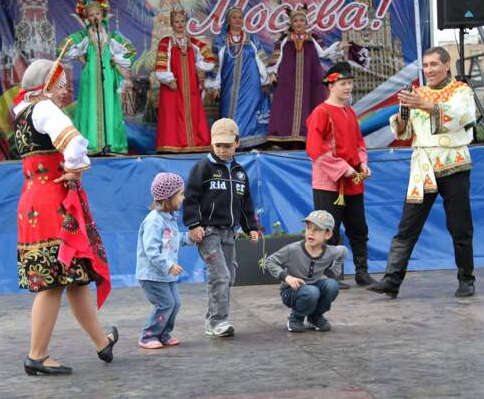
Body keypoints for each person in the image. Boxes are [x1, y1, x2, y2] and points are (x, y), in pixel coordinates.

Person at [13, 59, 118, 376]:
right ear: (45, 86)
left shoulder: (23, 113)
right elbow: (73, 142)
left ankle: (102, 342)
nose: (63, 91)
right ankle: (37, 355)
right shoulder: (44, 109)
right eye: (59, 85)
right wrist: (74, 167)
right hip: (53, 203)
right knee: (54, 281)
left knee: (74, 278)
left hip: (34, 199)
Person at [367, 46, 476, 299]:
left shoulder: (461, 91)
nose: (429, 70)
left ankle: (466, 279)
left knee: (460, 226)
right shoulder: (417, 94)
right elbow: (405, 132)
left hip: (453, 163)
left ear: (447, 65)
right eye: (425, 66)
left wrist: (425, 104)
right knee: (408, 225)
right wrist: (404, 114)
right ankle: (392, 280)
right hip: (423, 166)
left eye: (434, 65)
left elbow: (462, 116)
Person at [183, 118, 260, 337]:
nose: (223, 150)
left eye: (227, 145)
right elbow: (191, 198)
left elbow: (246, 201)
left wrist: (250, 226)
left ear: (237, 142)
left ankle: (214, 318)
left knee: (230, 276)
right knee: (220, 275)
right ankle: (217, 322)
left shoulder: (239, 171)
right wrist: (193, 224)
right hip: (208, 233)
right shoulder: (202, 168)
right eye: (218, 145)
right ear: (212, 143)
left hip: (230, 233)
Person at [306, 62, 376, 289]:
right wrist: (344, 169)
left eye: (350, 83)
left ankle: (362, 272)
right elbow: (315, 150)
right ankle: (327, 275)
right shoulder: (321, 112)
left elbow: (359, 143)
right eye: (343, 84)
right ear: (331, 85)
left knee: (359, 227)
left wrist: (362, 163)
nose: (348, 88)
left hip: (353, 181)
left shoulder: (350, 112)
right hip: (330, 182)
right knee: (328, 230)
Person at [60, 0, 137, 154]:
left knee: (109, 105)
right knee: (91, 105)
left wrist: (115, 60)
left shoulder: (112, 36)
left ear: (102, 15)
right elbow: (63, 48)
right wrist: (82, 58)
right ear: (87, 18)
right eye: (91, 15)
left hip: (107, 76)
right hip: (90, 77)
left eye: (97, 13)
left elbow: (130, 51)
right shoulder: (84, 36)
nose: (95, 17)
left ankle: (110, 143)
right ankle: (93, 144)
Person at [267, 6, 347, 146]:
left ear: (306, 23)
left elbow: (323, 53)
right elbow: (277, 56)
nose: (299, 23)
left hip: (309, 78)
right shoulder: (284, 39)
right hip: (288, 78)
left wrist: (338, 46)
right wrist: (273, 72)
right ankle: (285, 137)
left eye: (302, 20)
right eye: (296, 21)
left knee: (310, 103)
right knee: (285, 106)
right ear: (291, 23)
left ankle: (306, 136)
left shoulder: (313, 38)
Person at [136, 172, 195, 349]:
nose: (183, 198)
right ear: (169, 197)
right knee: (165, 304)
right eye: (180, 194)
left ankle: (163, 334)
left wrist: (191, 237)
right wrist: (168, 265)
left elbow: (173, 240)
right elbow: (151, 250)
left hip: (165, 274)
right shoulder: (154, 221)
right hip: (152, 275)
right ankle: (148, 336)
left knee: (175, 304)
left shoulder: (169, 218)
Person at [265, 210, 346, 332]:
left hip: (314, 287)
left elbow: (343, 251)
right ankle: (296, 318)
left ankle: (315, 317)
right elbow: (270, 261)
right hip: (291, 291)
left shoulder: (330, 251)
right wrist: (287, 277)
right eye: (308, 228)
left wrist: (332, 273)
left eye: (317, 229)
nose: (311, 233)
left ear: (328, 234)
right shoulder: (293, 250)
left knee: (332, 285)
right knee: (311, 292)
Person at [207, 6, 270, 148]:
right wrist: (214, 85)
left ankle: (250, 143)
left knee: (251, 110)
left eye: (240, 17)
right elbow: (216, 64)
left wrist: (265, 80)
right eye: (234, 17)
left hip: (251, 84)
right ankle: (230, 142)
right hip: (229, 84)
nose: (238, 20)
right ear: (228, 21)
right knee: (230, 112)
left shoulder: (251, 38)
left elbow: (261, 60)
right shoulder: (221, 40)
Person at [155, 5, 216, 153]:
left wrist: (198, 65)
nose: (180, 24)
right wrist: (169, 79)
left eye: (182, 21)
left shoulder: (193, 42)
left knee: (192, 111)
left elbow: (209, 59)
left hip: (190, 84)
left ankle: (194, 142)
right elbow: (162, 64)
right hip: (173, 85)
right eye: (176, 21)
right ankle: (172, 144)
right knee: (172, 113)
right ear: (172, 23)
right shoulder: (166, 42)